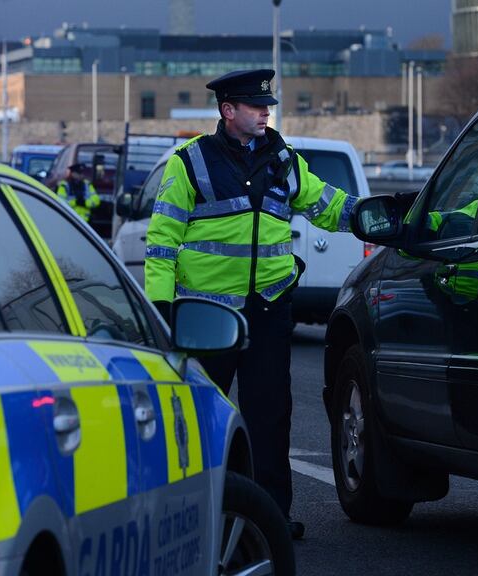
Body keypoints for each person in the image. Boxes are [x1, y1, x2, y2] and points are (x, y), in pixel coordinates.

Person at [144, 69, 358, 540]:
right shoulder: (190, 162)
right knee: (201, 417)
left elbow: (327, 205)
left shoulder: (283, 159)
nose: (266, 113)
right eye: (256, 106)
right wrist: (162, 309)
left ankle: (271, 519)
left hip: (268, 310)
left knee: (271, 417)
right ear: (228, 110)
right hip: (207, 314)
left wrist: (369, 216)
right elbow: (162, 243)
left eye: (268, 106)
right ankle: (192, 513)